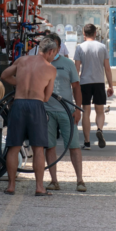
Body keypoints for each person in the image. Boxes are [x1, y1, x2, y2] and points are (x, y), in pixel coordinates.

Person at [0, 36, 59, 196]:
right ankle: (39, 187)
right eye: (54, 54)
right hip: (36, 105)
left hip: (18, 104)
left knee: (13, 147)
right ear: (51, 51)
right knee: (38, 149)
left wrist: (19, 82)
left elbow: (4, 75)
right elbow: (46, 97)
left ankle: (11, 186)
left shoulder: (22, 61)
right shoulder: (50, 69)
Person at [40, 32, 87, 192]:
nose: (51, 49)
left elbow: (76, 87)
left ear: (60, 47)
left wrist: (78, 109)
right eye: (48, 46)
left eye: (54, 46)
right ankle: (54, 181)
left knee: (74, 146)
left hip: (67, 111)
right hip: (47, 111)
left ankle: (80, 180)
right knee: (50, 146)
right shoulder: (40, 64)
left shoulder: (68, 64)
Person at [73, 23, 113, 150]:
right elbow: (107, 68)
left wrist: (75, 84)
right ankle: (100, 129)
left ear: (84, 34)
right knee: (100, 110)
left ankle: (87, 143)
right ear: (95, 33)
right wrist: (110, 85)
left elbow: (76, 68)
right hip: (99, 82)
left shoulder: (80, 48)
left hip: (84, 82)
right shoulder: (102, 47)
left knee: (86, 111)